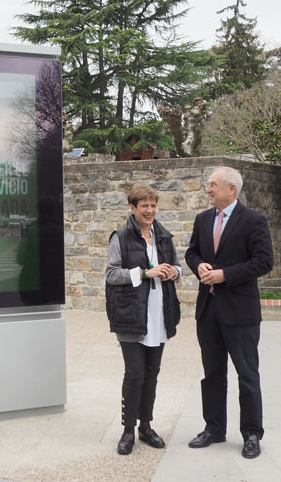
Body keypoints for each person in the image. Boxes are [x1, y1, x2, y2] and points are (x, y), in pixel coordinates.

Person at [184, 167, 273, 459]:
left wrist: (225, 275)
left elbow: (263, 262)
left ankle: (251, 434)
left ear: (231, 189)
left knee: (247, 375)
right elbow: (192, 252)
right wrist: (198, 266)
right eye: (207, 185)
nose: (207, 190)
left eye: (213, 185)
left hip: (241, 313)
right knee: (212, 374)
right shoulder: (203, 219)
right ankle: (214, 428)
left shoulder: (254, 221)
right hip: (208, 311)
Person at [105, 184, 182, 455]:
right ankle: (128, 430)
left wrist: (173, 272)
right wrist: (143, 273)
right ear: (133, 208)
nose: (149, 210)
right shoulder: (122, 237)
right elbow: (112, 275)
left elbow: (177, 266)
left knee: (152, 375)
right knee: (134, 374)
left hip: (159, 315)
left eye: (153, 205)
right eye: (144, 206)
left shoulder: (163, 236)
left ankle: (146, 426)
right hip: (131, 316)